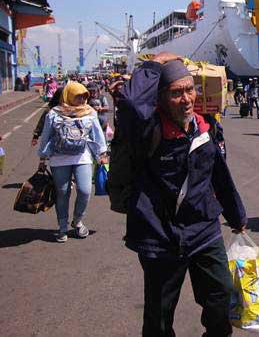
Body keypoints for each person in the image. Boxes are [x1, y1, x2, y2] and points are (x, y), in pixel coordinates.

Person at [115, 52, 247, 336]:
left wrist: (236, 214)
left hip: (203, 229)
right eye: (176, 93)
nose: (186, 98)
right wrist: (155, 63)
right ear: (160, 97)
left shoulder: (204, 126)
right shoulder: (147, 129)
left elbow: (219, 175)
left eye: (189, 89)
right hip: (159, 235)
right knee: (159, 316)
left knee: (220, 296)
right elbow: (130, 102)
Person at [37, 82, 108, 243]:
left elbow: (97, 134)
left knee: (84, 190)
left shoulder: (90, 112)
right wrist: (43, 158)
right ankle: (62, 227)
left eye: (84, 96)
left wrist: (102, 153)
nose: (82, 99)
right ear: (68, 95)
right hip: (58, 158)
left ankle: (77, 221)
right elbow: (46, 136)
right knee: (62, 193)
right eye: (78, 95)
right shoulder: (54, 113)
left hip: (82, 157)